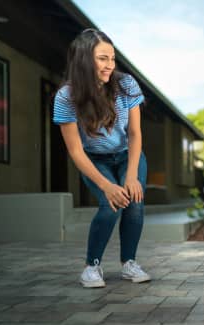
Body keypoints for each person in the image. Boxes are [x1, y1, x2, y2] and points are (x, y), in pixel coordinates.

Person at [53, 28, 150, 288]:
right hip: (95, 160)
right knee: (110, 204)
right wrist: (106, 185)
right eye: (102, 59)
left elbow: (134, 133)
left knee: (134, 201)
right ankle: (91, 267)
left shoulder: (126, 85)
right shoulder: (66, 97)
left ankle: (129, 262)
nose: (110, 65)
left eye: (112, 58)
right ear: (85, 60)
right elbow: (75, 151)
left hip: (128, 154)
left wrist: (131, 176)